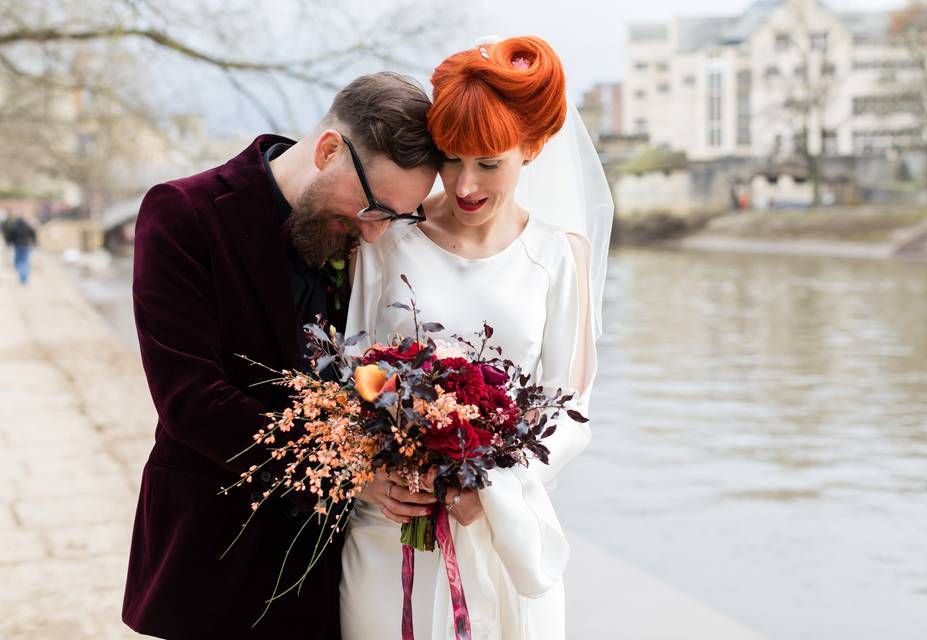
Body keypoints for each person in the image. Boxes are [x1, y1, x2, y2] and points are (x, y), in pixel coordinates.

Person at [121, 72, 440, 639]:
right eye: (375, 208)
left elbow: (374, 368)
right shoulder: (183, 213)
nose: (374, 235)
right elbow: (190, 402)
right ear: (327, 150)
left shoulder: (364, 242)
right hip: (210, 556)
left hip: (321, 574)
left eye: (394, 218)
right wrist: (351, 470)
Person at [341, 36, 613, 639]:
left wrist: (492, 488)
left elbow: (569, 410)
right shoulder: (389, 239)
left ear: (533, 149)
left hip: (501, 528)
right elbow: (356, 366)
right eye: (451, 157)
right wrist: (376, 464)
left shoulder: (558, 257)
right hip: (392, 521)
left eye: (489, 163)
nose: (464, 184)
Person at [6, 215, 37, 285]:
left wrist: (9, 244)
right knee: (24, 261)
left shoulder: (14, 227)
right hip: (26, 245)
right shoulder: (27, 226)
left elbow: (10, 236)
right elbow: (33, 234)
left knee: (19, 261)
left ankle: (23, 276)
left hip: (18, 246)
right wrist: (34, 242)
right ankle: (24, 276)